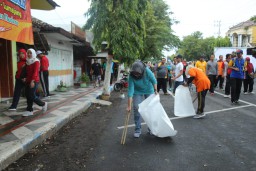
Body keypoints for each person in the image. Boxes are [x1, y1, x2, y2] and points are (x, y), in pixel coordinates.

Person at [127, 61, 157, 138]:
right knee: (136, 108)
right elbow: (130, 91)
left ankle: (151, 128)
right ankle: (137, 129)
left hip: (149, 89)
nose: (136, 75)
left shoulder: (147, 71)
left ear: (142, 71)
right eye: (134, 73)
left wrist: (156, 90)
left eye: (138, 73)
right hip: (137, 91)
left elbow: (154, 80)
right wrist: (129, 106)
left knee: (150, 109)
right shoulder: (131, 76)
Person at [23, 48, 47, 117]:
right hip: (28, 80)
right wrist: (25, 77)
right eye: (28, 53)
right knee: (27, 95)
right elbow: (27, 72)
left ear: (33, 53)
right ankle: (29, 110)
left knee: (31, 95)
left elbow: (35, 72)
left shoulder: (36, 61)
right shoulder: (27, 61)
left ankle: (43, 104)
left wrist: (32, 81)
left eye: (30, 53)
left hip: (34, 80)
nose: (29, 54)